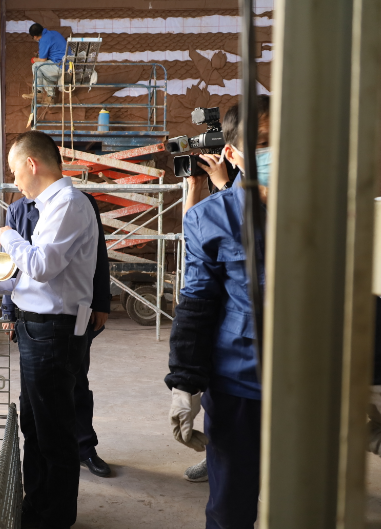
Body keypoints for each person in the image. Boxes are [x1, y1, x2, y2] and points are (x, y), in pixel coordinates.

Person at [0, 131, 97, 529]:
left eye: (14, 171)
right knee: (35, 425)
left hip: (54, 333)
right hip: (39, 330)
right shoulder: (50, 205)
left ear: (31, 164)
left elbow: (40, 265)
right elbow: (35, 280)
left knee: (53, 431)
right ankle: (37, 507)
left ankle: (54, 517)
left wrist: (7, 236)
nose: (15, 181)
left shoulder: (68, 204)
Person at [165, 95, 271, 528]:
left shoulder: (333, 211)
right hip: (238, 384)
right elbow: (197, 303)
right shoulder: (210, 218)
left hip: (311, 387)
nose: (276, 152)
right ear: (232, 152)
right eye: (262, 142)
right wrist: (184, 383)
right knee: (231, 507)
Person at [0, 192, 112, 478]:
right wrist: (8, 311)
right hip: (31, 317)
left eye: (16, 171)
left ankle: (85, 447)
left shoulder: (76, 203)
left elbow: (97, 253)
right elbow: (10, 265)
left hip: (70, 314)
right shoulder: (18, 209)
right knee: (36, 395)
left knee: (77, 382)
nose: (16, 179)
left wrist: (101, 301)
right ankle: (46, 460)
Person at [22, 23, 68, 105]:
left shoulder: (43, 39)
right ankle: (50, 97)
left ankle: (37, 92)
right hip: (68, 66)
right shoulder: (54, 33)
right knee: (44, 71)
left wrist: (34, 59)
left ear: (35, 36)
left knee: (36, 66)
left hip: (60, 66)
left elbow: (42, 59)